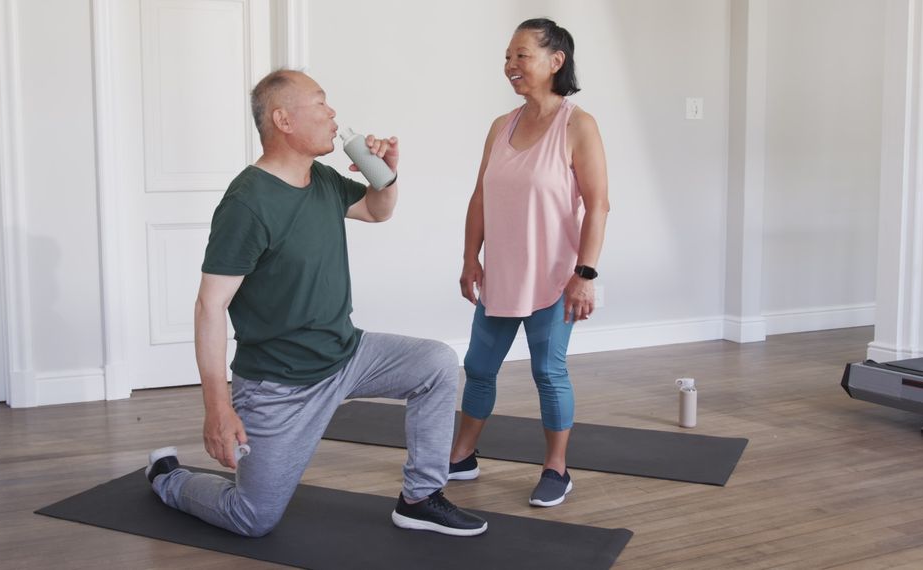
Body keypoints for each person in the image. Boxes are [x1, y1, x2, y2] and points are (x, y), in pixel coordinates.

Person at [145, 69, 487, 538]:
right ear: (283, 119)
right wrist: (217, 407)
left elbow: (376, 210)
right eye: (321, 103)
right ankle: (169, 478)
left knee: (436, 364)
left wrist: (385, 175)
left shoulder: (322, 180)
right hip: (279, 385)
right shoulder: (247, 202)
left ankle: (421, 498)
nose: (333, 114)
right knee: (253, 517)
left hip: (347, 356)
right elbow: (210, 307)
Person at [449, 18, 610, 507]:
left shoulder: (578, 125)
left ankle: (557, 469)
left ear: (555, 61)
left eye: (522, 56)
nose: (510, 66)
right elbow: (480, 195)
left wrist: (585, 275)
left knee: (548, 372)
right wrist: (469, 258)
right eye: (507, 57)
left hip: (555, 277)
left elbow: (598, 204)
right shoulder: (502, 126)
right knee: (478, 367)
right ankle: (462, 455)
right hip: (501, 273)